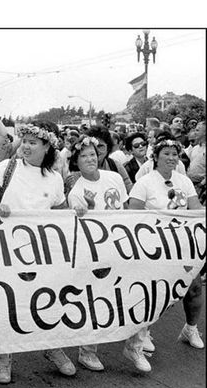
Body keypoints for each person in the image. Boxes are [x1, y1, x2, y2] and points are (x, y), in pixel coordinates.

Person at [0, 121, 77, 382]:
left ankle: (51, 347)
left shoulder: (56, 178)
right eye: (25, 141)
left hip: (43, 252)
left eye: (34, 142)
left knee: (49, 300)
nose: (27, 146)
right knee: (10, 302)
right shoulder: (7, 167)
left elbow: (61, 212)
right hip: (6, 249)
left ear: (47, 147)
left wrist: (78, 210)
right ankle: (4, 356)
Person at [66, 135, 151, 372]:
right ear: (76, 161)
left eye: (93, 154)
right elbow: (79, 222)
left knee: (139, 294)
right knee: (95, 300)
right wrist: (86, 209)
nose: (90, 159)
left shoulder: (114, 177)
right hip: (96, 254)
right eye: (84, 156)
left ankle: (135, 346)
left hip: (123, 248)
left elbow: (125, 209)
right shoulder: (77, 190)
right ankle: (88, 351)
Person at [129, 138, 204, 351]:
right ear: (156, 157)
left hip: (183, 243)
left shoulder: (184, 180)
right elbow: (133, 212)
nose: (171, 158)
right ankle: (143, 332)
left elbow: (195, 207)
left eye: (174, 154)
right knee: (155, 291)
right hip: (155, 245)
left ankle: (191, 328)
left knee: (194, 287)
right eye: (166, 154)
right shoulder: (145, 182)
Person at [65, 125, 133, 195]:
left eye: (101, 146)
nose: (97, 151)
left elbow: (130, 190)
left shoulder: (115, 165)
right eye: (94, 146)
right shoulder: (77, 171)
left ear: (108, 148)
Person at [186, 121, 206, 199]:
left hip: (202, 186)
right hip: (190, 184)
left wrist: (201, 184)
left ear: (205, 133)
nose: (195, 132)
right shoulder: (195, 148)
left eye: (197, 130)